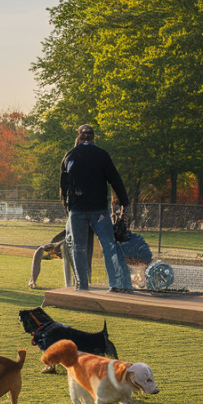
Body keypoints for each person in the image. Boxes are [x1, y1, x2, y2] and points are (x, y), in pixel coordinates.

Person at [59, 124, 132, 292]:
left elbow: (63, 185)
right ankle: (114, 284)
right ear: (93, 137)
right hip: (99, 210)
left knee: (78, 247)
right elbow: (115, 179)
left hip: (77, 210)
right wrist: (124, 202)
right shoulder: (102, 155)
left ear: (79, 136)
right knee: (108, 246)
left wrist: (67, 206)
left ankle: (82, 285)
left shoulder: (70, 155)